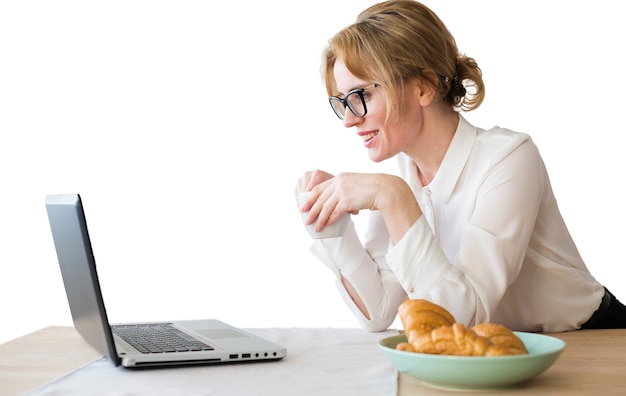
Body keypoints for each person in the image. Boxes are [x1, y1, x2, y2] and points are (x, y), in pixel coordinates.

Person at [294, 0, 626, 333]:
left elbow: (462, 317)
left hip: (596, 340)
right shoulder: (402, 174)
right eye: (342, 101)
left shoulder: (509, 159)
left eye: (360, 95)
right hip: (504, 353)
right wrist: (331, 228)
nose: (349, 120)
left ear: (424, 86)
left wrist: (393, 197)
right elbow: (378, 310)